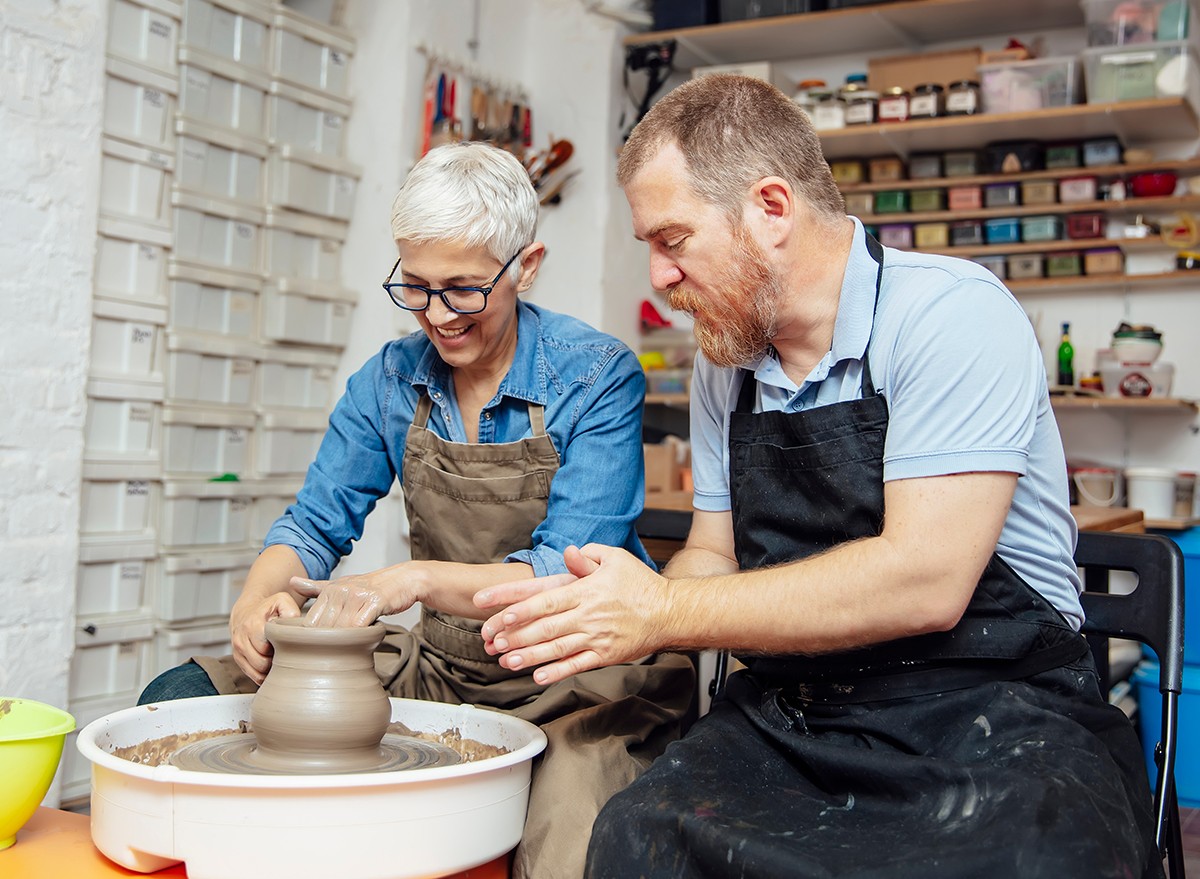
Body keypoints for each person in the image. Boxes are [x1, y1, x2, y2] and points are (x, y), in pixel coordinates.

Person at [474, 76, 1162, 878]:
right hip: (799, 712)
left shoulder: (950, 317)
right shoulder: (725, 365)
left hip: (995, 711)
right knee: (636, 834)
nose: (658, 278)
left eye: (672, 240)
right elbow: (714, 555)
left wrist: (664, 610)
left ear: (771, 208)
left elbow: (926, 580)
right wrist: (610, 597)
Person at [138, 141, 695, 879]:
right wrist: (256, 594)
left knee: (571, 851)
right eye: (416, 286)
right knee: (176, 698)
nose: (437, 314)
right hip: (441, 667)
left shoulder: (596, 375)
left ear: (525, 266)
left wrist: (413, 581)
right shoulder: (391, 379)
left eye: (463, 288)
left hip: (578, 684)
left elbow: (564, 578)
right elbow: (313, 523)